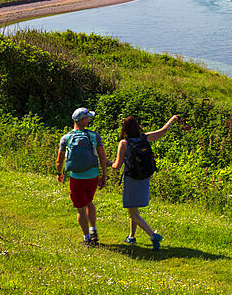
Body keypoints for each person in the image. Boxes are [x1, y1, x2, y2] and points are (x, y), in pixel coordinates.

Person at [110, 114, 182, 250]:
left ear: (124, 130)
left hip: (131, 179)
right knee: (135, 209)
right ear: (137, 126)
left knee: (133, 213)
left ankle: (153, 235)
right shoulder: (145, 137)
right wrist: (173, 118)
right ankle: (131, 236)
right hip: (144, 177)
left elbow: (117, 165)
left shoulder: (124, 143)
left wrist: (109, 163)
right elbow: (163, 130)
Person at [57, 107, 108, 247]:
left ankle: (87, 239)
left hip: (76, 178)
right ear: (83, 120)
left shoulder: (66, 138)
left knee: (80, 207)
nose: (89, 119)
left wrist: (59, 173)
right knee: (89, 202)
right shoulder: (94, 136)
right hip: (92, 176)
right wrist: (104, 175)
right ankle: (93, 231)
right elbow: (103, 158)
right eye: (88, 117)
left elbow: (59, 160)